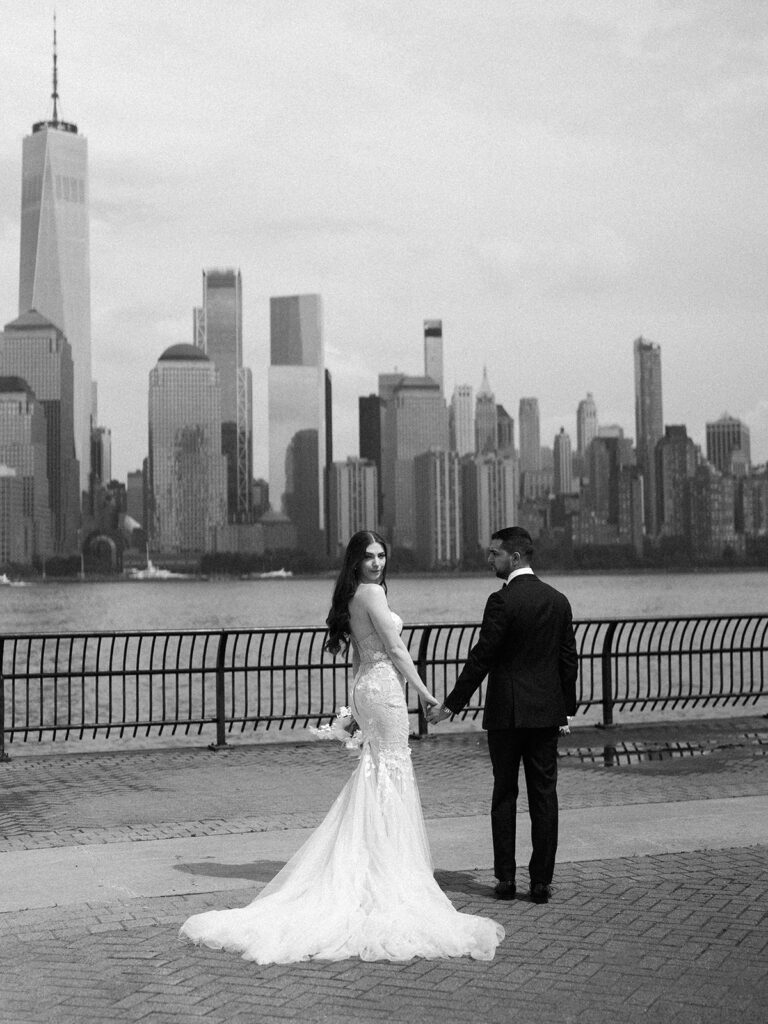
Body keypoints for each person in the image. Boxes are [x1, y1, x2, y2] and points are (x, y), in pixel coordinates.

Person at [180, 531, 504, 963]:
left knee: (379, 771)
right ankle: (389, 868)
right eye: (369, 556)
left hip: (369, 689)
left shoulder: (355, 595)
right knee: (391, 771)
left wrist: (355, 702)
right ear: (355, 561)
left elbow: (359, 656)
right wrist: (426, 693)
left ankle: (376, 860)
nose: (376, 562)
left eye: (381, 554)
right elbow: (396, 648)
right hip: (385, 691)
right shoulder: (371, 593)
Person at [428, 526, 578, 905]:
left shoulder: (501, 602)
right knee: (545, 796)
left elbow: (483, 658)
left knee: (505, 795)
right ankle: (541, 882)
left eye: (494, 553)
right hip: (546, 715)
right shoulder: (558, 601)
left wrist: (450, 705)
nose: (488, 559)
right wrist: (566, 711)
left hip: (506, 717)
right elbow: (567, 661)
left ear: (514, 557)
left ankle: (506, 880)